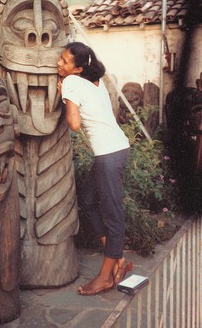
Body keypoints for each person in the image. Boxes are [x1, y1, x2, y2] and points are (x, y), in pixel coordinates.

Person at [57, 42, 132, 296]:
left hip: (109, 154)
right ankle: (116, 257)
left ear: (77, 69)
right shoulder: (95, 82)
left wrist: (64, 97)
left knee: (113, 215)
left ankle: (104, 277)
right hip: (116, 150)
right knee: (88, 201)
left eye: (65, 62)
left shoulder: (70, 83)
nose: (59, 64)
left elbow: (74, 124)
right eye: (61, 58)